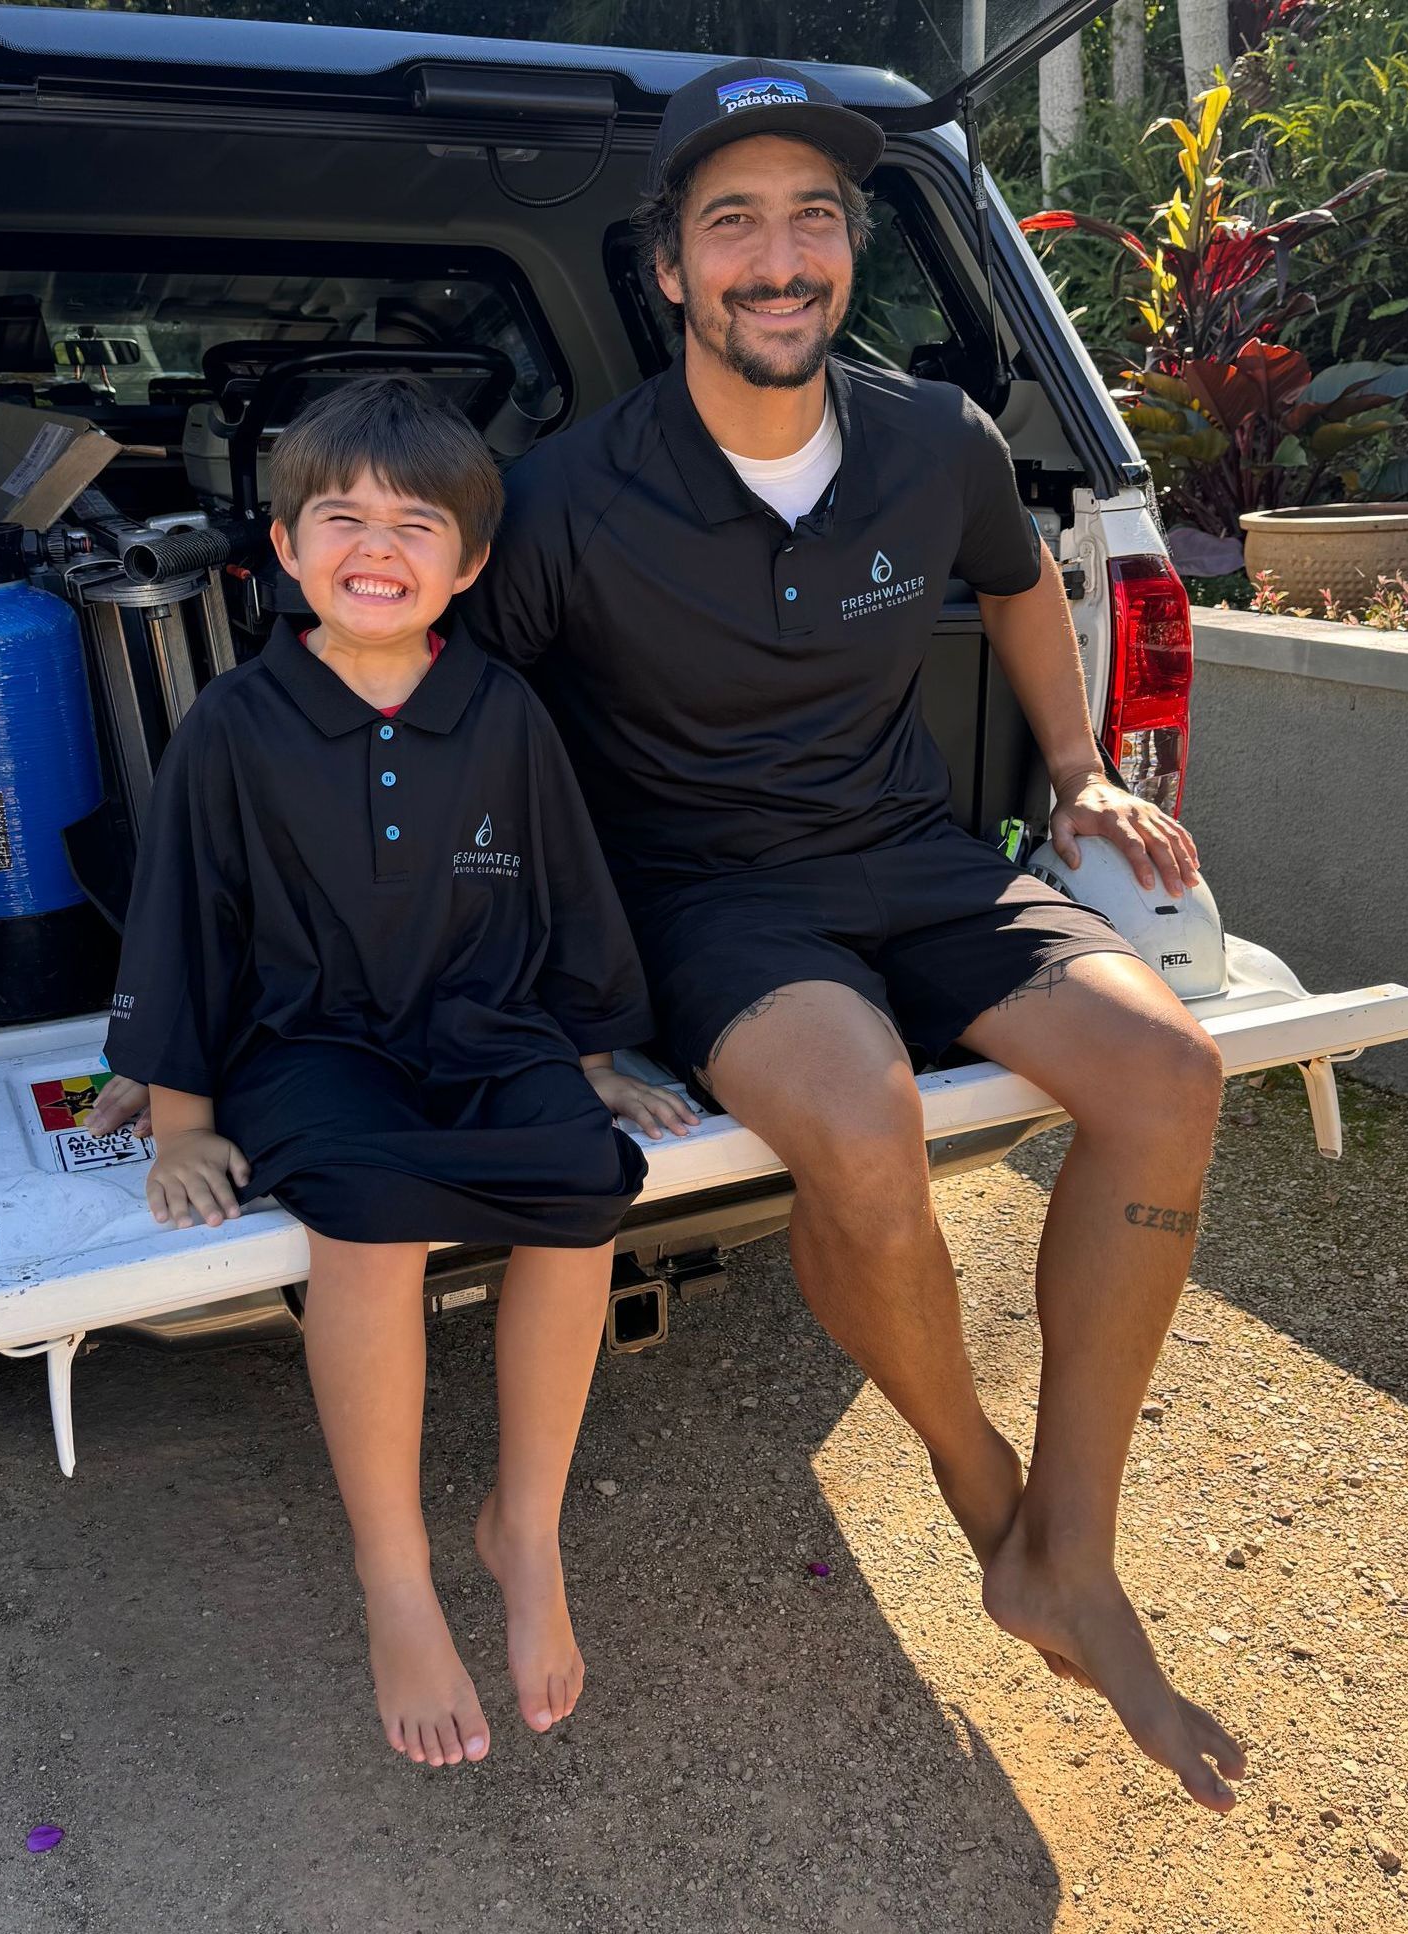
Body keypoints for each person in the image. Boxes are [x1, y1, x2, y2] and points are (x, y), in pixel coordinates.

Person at [448, 62, 1249, 1812]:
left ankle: (1073, 1549)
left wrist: (1077, 767)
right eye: (732, 221)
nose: (779, 257)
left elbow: (1021, 584)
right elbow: (460, 710)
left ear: (852, 249)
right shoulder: (571, 498)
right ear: (666, 267)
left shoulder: (931, 441)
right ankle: (990, 1503)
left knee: (1170, 1072)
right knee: (864, 1112)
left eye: (814, 216)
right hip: (711, 898)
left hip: (917, 855)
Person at [102, 375, 695, 1771]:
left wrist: (593, 1056)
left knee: (581, 1185)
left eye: (416, 521)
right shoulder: (235, 729)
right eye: (342, 517)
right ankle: (396, 1575)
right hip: (311, 1042)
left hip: (486, 1022)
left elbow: (567, 891)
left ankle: (524, 1529)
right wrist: (180, 1117)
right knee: (362, 1221)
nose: (378, 544)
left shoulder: (503, 714)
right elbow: (183, 923)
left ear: (469, 563)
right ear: (286, 546)